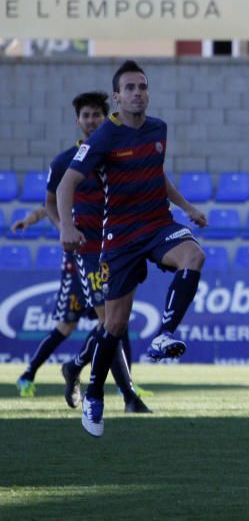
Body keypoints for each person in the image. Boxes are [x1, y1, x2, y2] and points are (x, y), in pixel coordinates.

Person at [58, 61, 208, 438]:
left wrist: (187, 208)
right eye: (129, 88)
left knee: (194, 255)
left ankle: (165, 333)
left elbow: (158, 173)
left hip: (157, 224)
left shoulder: (159, 129)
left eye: (142, 86)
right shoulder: (104, 136)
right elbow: (65, 185)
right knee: (114, 324)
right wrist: (67, 226)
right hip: (120, 236)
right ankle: (93, 395)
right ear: (117, 97)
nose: (137, 92)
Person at [13, 92, 146, 412]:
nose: (90, 121)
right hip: (86, 253)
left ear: (106, 117)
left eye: (96, 115)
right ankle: (127, 395)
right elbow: (50, 202)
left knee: (115, 323)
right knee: (96, 322)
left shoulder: (116, 156)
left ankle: (75, 367)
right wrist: (63, 228)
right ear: (77, 121)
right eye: (85, 116)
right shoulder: (64, 162)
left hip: (117, 247)